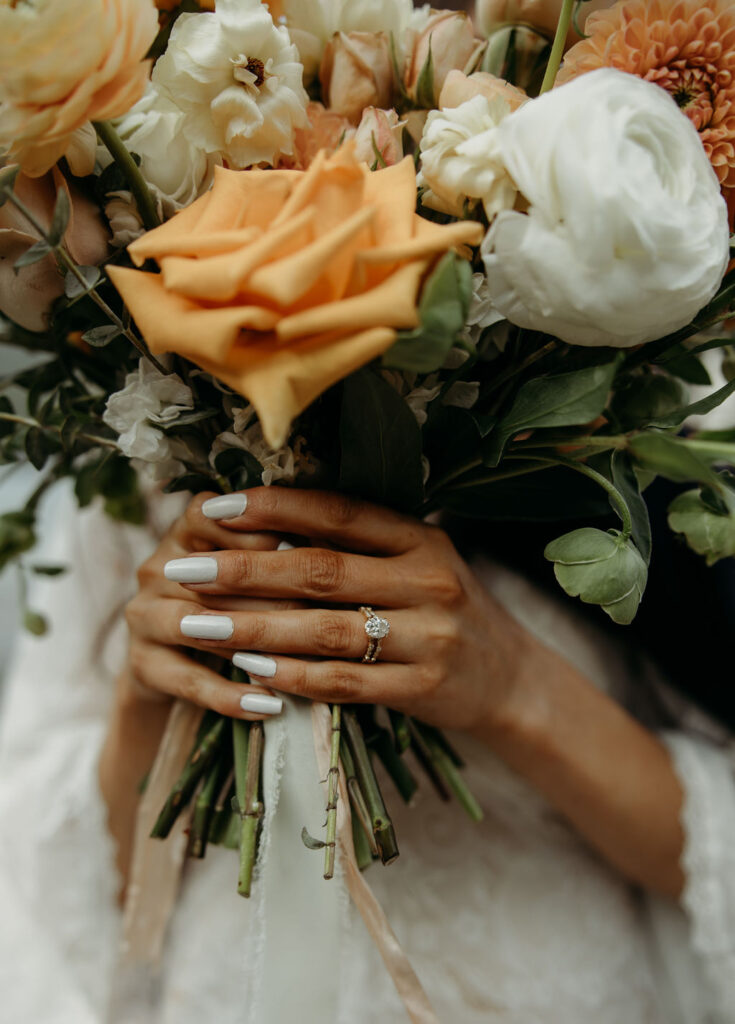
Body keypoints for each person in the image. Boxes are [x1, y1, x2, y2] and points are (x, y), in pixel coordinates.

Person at [1, 482, 734, 1023]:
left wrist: (513, 684)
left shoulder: (646, 425)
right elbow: (46, 886)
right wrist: (151, 693)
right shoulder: (141, 457)